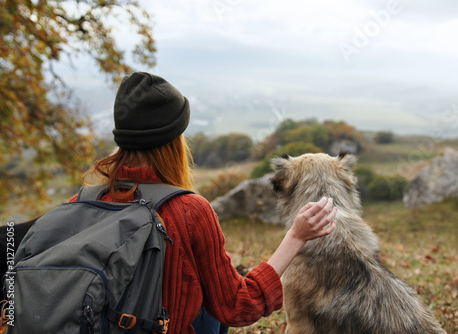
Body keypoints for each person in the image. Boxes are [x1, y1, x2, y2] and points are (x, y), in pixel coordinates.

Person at [71, 72, 337, 334]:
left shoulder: (81, 202)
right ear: (175, 141)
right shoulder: (189, 211)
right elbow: (238, 306)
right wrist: (296, 236)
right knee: (210, 299)